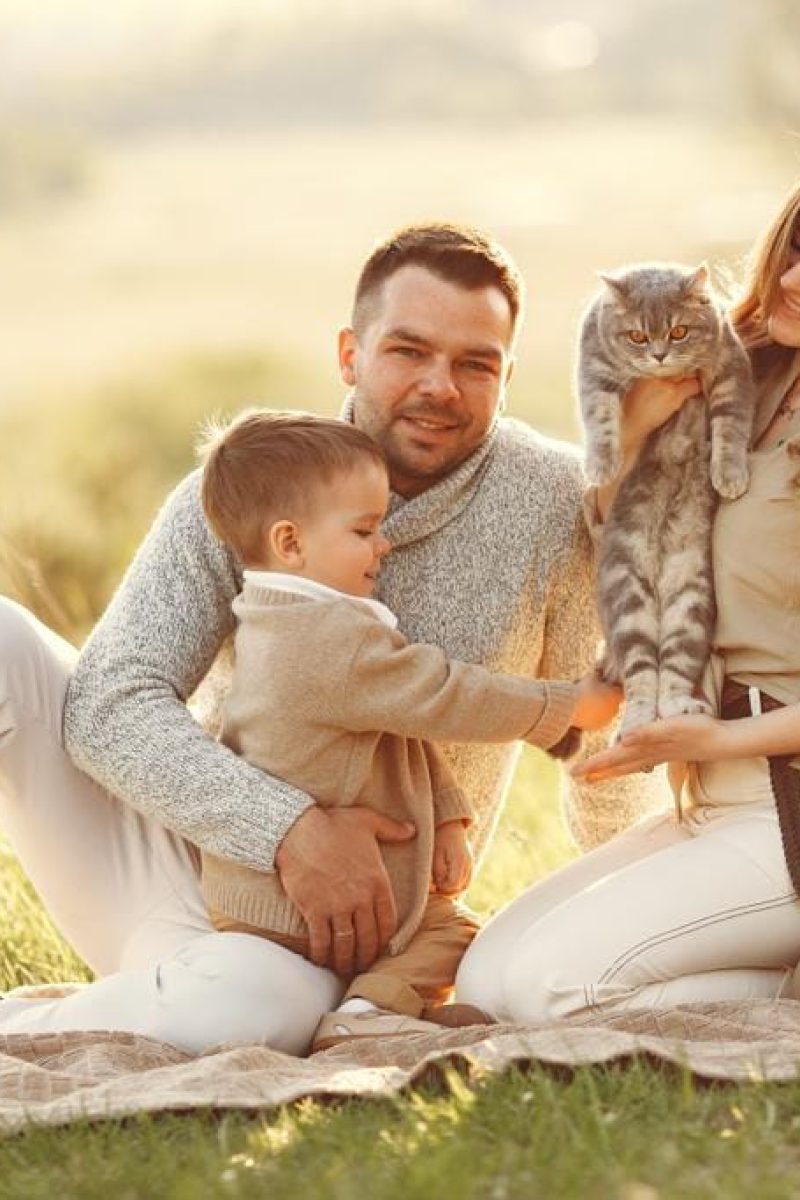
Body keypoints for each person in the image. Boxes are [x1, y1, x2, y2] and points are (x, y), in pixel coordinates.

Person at [0, 223, 656, 1055]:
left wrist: (637, 903)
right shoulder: (255, 478)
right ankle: (152, 992)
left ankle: (142, 1005)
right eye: (407, 351)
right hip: (174, 867)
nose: (440, 387)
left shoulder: (556, 501)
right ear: (350, 352)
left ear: (507, 375)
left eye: (475, 363)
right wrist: (285, 828)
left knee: (241, 1014)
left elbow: (590, 742)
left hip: (338, 940)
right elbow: (108, 701)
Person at [455, 185, 800, 1024]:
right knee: (487, 982)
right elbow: (622, 526)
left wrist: (717, 735)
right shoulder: (744, 366)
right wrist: (639, 427)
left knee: (551, 990)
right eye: (796, 247)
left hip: (781, 791)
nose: (795, 277)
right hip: (710, 788)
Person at [196, 409, 619, 1050]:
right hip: (290, 907)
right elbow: (445, 696)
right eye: (365, 529)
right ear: (291, 543)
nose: (383, 543)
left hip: (267, 894)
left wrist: (447, 818)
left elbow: (401, 733)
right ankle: (367, 1019)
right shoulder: (324, 639)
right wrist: (566, 706)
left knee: (443, 924)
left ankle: (376, 1007)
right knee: (452, 932)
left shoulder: (291, 617)